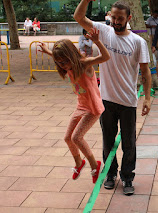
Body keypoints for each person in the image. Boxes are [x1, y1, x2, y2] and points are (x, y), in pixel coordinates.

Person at [74, 0, 152, 196]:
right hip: (106, 99)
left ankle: (127, 177)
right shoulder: (104, 31)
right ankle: (110, 174)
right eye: (114, 17)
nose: (116, 22)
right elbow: (79, 17)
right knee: (108, 140)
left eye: (120, 18)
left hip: (128, 101)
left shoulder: (137, 42)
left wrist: (147, 98)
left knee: (129, 143)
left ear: (129, 18)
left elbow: (145, 71)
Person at [37, 28, 110, 183]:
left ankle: (94, 165)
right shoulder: (67, 64)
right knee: (67, 138)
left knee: (77, 137)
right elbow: (61, 60)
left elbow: (105, 56)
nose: (63, 66)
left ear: (72, 56)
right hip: (81, 106)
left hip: (93, 108)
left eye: (65, 62)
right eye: (59, 63)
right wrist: (48, 51)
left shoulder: (85, 64)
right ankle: (79, 162)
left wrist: (96, 41)